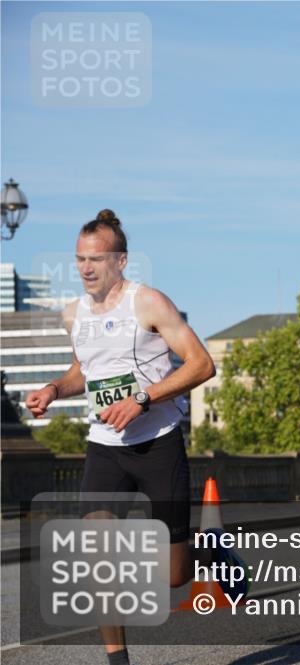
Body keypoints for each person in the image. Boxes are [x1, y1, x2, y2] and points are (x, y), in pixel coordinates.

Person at [23, 209, 247, 665]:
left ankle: (208, 550)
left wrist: (143, 399)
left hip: (158, 445)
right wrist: (53, 388)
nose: (86, 268)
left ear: (121, 261)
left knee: (174, 576)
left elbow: (202, 364)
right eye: (80, 259)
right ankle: (118, 660)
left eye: (97, 258)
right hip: (105, 447)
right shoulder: (74, 314)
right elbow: (84, 370)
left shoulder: (149, 304)